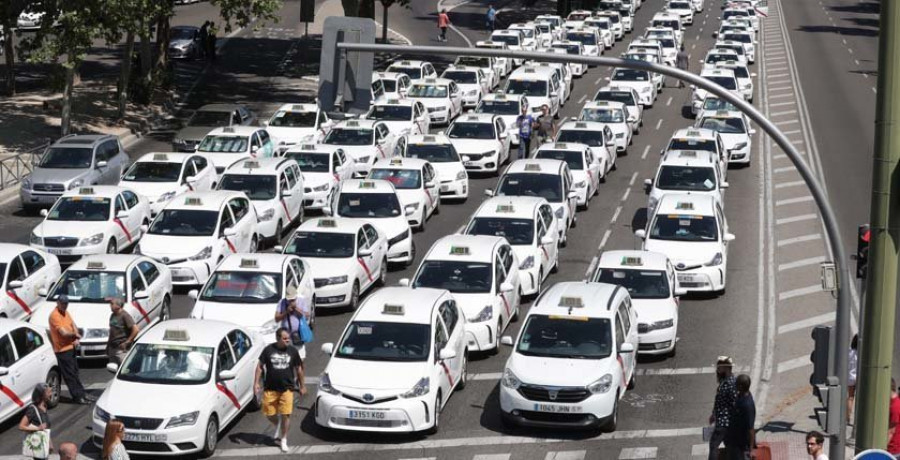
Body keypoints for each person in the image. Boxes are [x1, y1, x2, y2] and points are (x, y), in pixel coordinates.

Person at [255, 328, 306, 453]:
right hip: (270, 389)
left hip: (287, 389)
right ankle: (277, 423)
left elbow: (299, 369)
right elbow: (260, 366)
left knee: (286, 414)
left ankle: (283, 439)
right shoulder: (268, 350)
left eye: (288, 338)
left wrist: (302, 385)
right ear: (277, 338)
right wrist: (256, 383)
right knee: (268, 413)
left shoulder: (293, 351)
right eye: (284, 338)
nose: (287, 340)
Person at [48, 295, 92, 404]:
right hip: (62, 350)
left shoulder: (65, 312)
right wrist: (75, 335)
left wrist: (76, 336)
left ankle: (82, 394)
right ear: (57, 303)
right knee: (70, 375)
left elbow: (73, 324)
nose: (65, 305)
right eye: (63, 303)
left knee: (75, 372)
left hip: (70, 347)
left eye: (66, 303)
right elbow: (63, 332)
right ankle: (77, 397)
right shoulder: (54, 316)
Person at [708, 356, 737, 460]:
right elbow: (719, 401)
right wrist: (713, 413)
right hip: (723, 420)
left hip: (725, 422)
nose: (718, 370)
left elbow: (735, 403)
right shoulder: (725, 381)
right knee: (729, 446)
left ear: (726, 368)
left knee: (713, 445)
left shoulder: (731, 383)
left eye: (719, 367)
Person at [274, 286, 310, 360]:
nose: (291, 301)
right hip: (286, 336)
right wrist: (286, 312)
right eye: (289, 300)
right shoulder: (282, 302)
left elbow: (306, 316)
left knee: (300, 359)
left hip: (298, 335)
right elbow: (277, 319)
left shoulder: (301, 300)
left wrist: (296, 308)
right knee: (287, 360)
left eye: (293, 299)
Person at [19, 383, 52, 460]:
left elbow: (45, 428)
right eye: (49, 392)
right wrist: (37, 429)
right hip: (37, 444)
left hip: (43, 443)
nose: (51, 394)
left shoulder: (44, 406)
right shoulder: (33, 409)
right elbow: (21, 426)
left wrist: (50, 443)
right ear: (42, 394)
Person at [726, 374, 756, 460]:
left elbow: (751, 429)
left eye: (736, 384)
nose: (734, 385)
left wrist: (751, 450)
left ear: (741, 386)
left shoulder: (747, 405)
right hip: (734, 440)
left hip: (741, 445)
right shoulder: (742, 395)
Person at [107, 298, 138, 365]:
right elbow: (111, 331)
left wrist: (127, 342)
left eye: (112, 304)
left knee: (124, 368)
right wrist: (108, 346)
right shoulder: (112, 315)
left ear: (118, 306)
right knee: (113, 368)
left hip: (121, 349)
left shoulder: (125, 316)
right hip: (112, 347)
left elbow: (135, 330)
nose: (110, 305)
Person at [848, 333, 859, 425]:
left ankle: (847, 417)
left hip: (850, 377)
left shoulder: (850, 352)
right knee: (860, 399)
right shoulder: (863, 354)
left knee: (850, 398)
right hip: (860, 378)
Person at [889, 378, 900, 457]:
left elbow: (891, 432)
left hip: (892, 451)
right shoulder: (892, 403)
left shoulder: (895, 407)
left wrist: (879, 450)